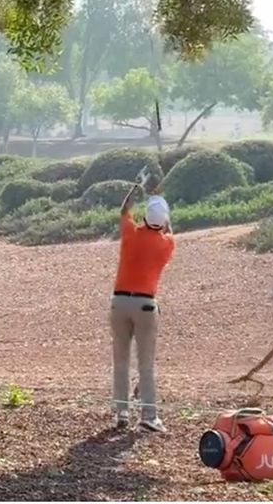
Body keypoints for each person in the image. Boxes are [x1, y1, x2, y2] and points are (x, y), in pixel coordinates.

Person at [110, 185, 175, 434]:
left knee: (121, 360)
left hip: (119, 302)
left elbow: (124, 210)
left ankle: (121, 412)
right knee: (145, 364)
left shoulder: (131, 234)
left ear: (146, 218)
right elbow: (167, 230)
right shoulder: (166, 244)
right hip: (146, 304)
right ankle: (149, 415)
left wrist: (133, 192)